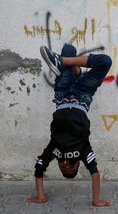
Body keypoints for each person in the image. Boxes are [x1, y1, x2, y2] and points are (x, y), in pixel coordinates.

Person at [27, 44, 112, 207]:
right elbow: (94, 172)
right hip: (83, 93)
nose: (66, 164)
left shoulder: (54, 148)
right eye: (71, 167)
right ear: (78, 163)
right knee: (105, 61)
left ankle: (69, 65)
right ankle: (69, 66)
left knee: (68, 48)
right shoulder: (83, 149)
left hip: (63, 92)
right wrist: (96, 200)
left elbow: (39, 168)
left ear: (58, 164)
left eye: (62, 167)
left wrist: (41, 196)